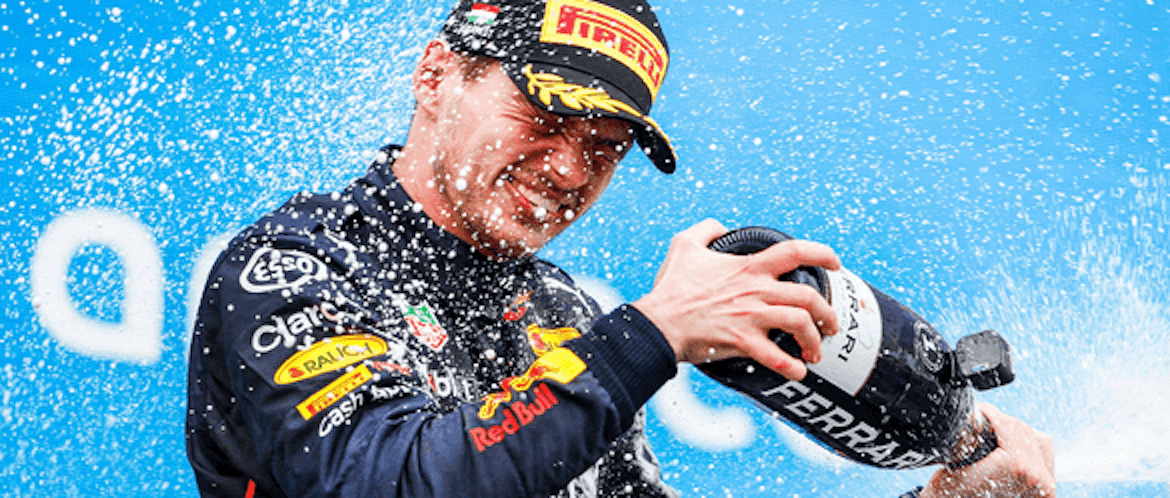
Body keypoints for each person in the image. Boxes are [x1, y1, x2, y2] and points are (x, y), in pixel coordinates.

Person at [185, 0, 1056, 496]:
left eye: (604, 145)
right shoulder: (297, 267)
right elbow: (392, 484)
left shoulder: (561, 312)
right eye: (545, 115)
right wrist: (652, 334)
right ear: (437, 76)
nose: (570, 168)